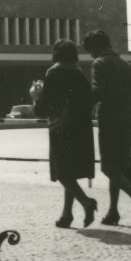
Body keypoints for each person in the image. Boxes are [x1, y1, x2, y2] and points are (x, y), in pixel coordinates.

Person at [83, 29, 131, 226]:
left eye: (91, 50)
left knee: (107, 167)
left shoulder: (100, 63)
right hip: (128, 121)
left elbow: (97, 92)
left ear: (97, 47)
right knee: (118, 167)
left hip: (110, 121)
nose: (91, 55)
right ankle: (113, 211)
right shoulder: (124, 64)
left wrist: (81, 105)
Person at [30, 39, 97, 228]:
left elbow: (45, 108)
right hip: (81, 127)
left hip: (61, 127)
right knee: (71, 171)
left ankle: (86, 202)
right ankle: (66, 214)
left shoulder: (53, 72)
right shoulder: (79, 73)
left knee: (62, 172)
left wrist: (35, 96)